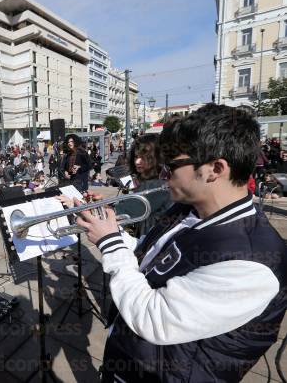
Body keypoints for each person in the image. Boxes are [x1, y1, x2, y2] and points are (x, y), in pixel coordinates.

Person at [75, 104, 286, 382]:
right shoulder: (190, 210)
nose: (163, 175)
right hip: (131, 360)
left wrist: (111, 245)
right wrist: (112, 233)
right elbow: (150, 259)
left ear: (215, 169)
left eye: (172, 166)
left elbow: (153, 318)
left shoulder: (252, 263)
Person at [116, 133, 172, 238]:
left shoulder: (155, 186)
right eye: (136, 157)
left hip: (149, 242)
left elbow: (120, 215)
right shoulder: (160, 179)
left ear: (156, 158)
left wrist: (91, 207)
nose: (137, 162)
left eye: (143, 158)